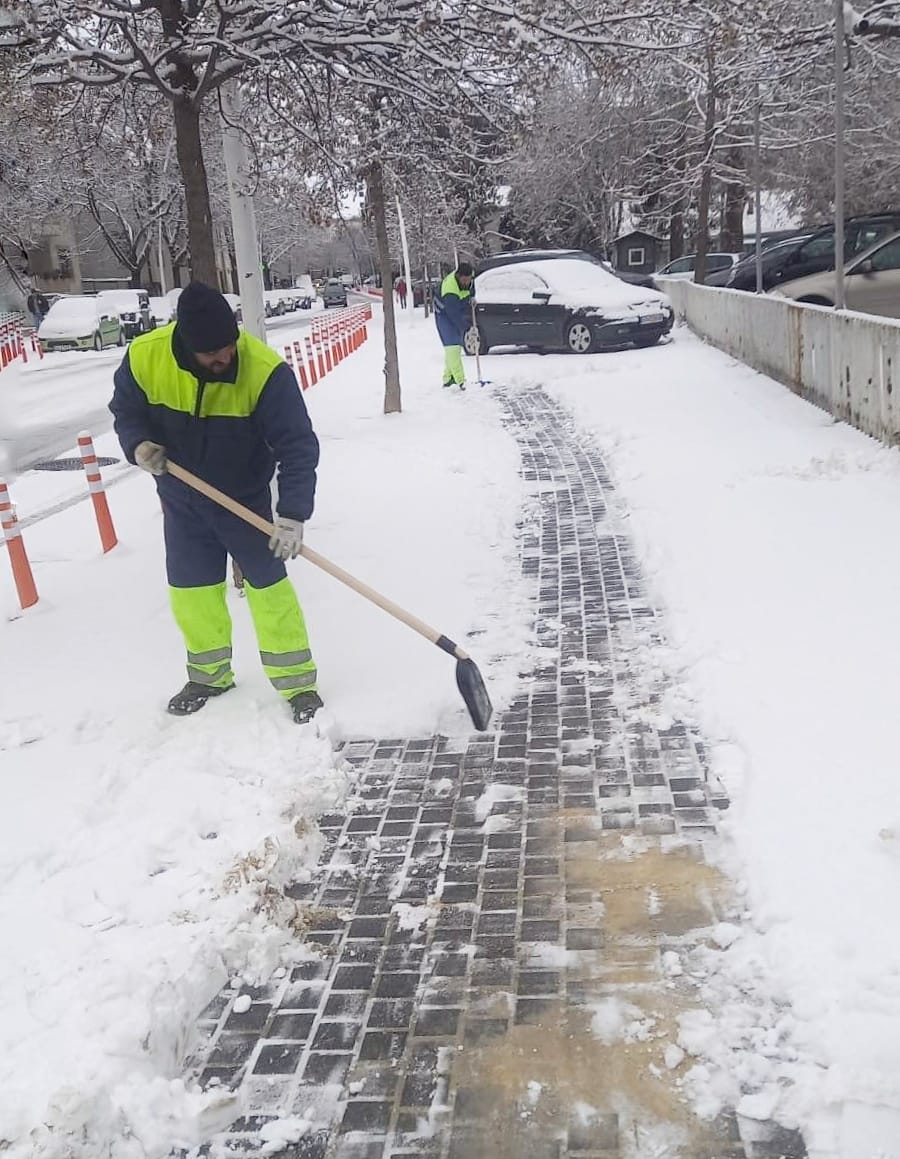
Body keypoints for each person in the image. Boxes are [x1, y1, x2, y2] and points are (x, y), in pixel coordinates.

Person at [109, 281, 323, 724]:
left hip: (243, 501)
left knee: (269, 591)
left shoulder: (263, 370)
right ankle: (209, 675)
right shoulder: (146, 357)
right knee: (192, 592)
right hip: (181, 498)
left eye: (229, 346)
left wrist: (293, 515)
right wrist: (139, 446)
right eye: (212, 354)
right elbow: (126, 411)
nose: (225, 358)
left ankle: (298, 683)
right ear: (186, 345)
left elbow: (297, 445)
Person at [433, 262, 474, 390]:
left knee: (454, 347)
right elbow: (453, 313)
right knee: (453, 347)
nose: (467, 282)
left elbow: (470, 292)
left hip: (456, 310)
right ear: (458, 276)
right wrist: (466, 327)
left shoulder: (470, 280)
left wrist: (472, 299)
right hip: (444, 315)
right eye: (464, 280)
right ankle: (461, 380)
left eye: (469, 279)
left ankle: (448, 378)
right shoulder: (450, 289)